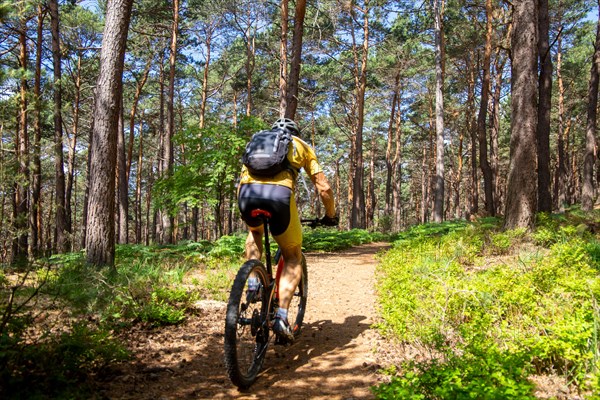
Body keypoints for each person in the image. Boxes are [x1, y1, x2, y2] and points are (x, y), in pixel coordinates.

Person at [238, 117, 338, 342]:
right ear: (295, 132)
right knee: (292, 255)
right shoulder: (301, 145)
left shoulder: (258, 142)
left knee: (255, 233)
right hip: (278, 198)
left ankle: (254, 282)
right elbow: (324, 187)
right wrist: (331, 215)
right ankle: (281, 318)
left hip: (246, 195)